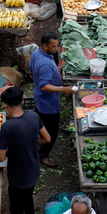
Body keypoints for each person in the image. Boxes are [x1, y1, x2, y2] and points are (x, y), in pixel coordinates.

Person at [0, 86, 49, 214]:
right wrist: (33, 143)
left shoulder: (7, 127)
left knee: (16, 206)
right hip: (32, 171)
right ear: (22, 101)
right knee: (28, 200)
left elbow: (1, 158)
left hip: (16, 175)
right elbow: (47, 138)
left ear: (6, 105)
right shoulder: (34, 116)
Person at [31, 32, 75, 168]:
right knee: (51, 131)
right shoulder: (45, 64)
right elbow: (44, 86)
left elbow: (31, 69)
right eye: (54, 46)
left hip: (39, 97)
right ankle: (42, 155)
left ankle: (34, 143)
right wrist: (62, 89)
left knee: (41, 124)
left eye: (57, 46)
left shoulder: (36, 54)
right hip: (48, 103)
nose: (57, 49)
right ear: (45, 46)